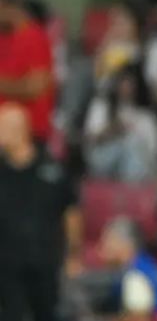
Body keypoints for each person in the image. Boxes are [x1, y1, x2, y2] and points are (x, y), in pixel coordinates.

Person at [0, 103, 82, 321]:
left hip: (45, 262)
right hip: (6, 265)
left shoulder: (52, 168)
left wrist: (73, 254)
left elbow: (71, 213)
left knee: (47, 314)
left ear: (20, 130)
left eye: (3, 127)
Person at [0, 0, 55, 142]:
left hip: (28, 133)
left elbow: (35, 87)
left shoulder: (34, 36)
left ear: (10, 8)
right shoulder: (4, 38)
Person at [98, 217, 157, 321]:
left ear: (123, 244)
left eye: (108, 241)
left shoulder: (135, 275)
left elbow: (139, 318)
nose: (103, 248)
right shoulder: (145, 262)